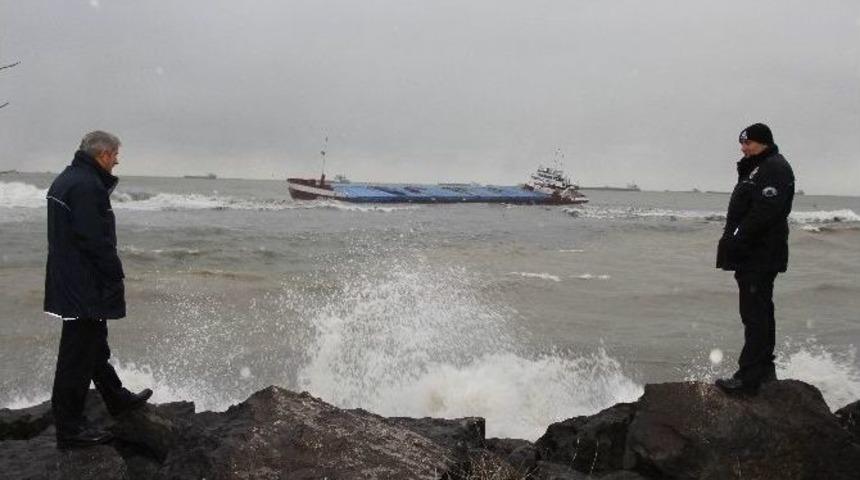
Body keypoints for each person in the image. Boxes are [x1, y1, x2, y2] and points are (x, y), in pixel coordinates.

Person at [45, 131, 152, 449]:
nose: (117, 160)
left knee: (92, 346)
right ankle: (70, 429)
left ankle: (116, 398)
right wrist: (114, 273)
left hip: (72, 280)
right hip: (83, 284)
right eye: (115, 154)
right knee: (76, 358)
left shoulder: (69, 179)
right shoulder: (87, 186)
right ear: (103, 154)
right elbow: (94, 240)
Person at [715, 123, 795, 394]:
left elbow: (764, 212)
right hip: (754, 253)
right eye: (742, 143)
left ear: (763, 142)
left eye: (748, 143)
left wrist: (737, 237)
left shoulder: (774, 168)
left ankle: (749, 378)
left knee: (755, 313)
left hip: (760, 253)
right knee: (759, 310)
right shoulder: (757, 167)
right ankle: (764, 370)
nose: (743, 148)